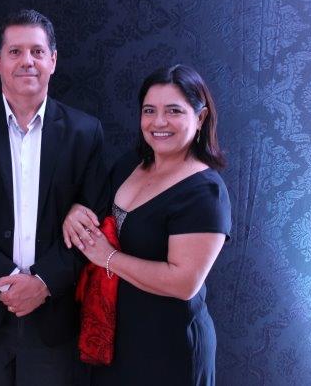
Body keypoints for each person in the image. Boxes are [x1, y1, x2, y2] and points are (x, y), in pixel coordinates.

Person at [0, 9, 110, 386]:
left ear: (53, 61)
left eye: (37, 52)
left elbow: (94, 220)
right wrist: (9, 280)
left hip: (55, 320)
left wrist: (43, 282)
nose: (27, 61)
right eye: (15, 52)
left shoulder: (85, 132)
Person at [63, 64, 231, 385]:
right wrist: (76, 211)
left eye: (174, 111)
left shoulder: (205, 192)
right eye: (149, 110)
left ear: (201, 117)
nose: (159, 122)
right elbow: (97, 212)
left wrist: (108, 258)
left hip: (169, 346)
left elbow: (184, 283)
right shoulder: (131, 163)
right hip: (117, 339)